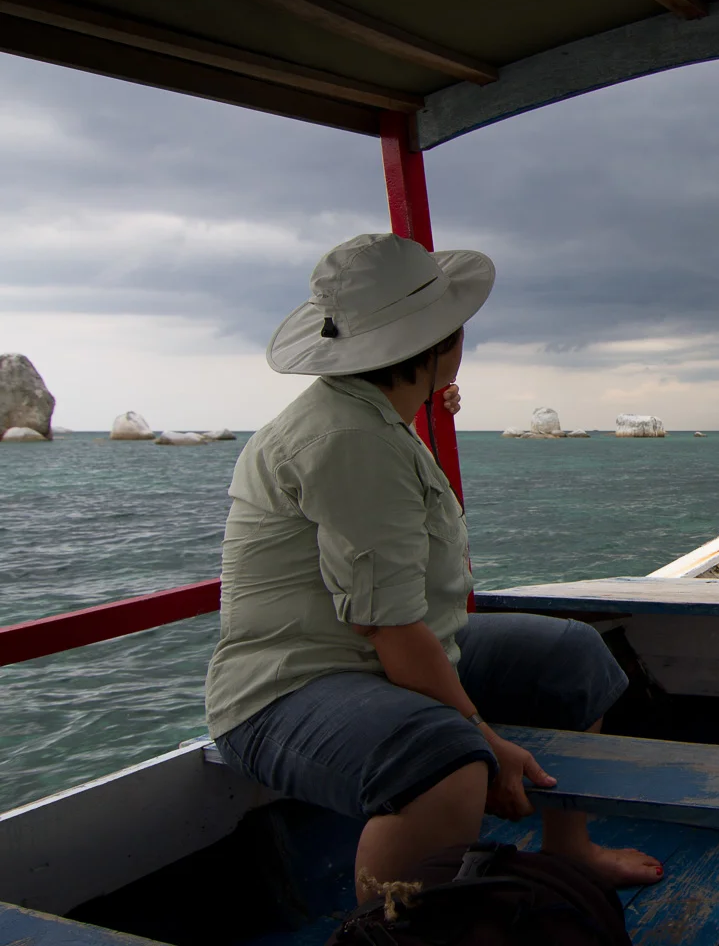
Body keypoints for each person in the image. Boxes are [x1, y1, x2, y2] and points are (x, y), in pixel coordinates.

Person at [204, 233, 661, 900]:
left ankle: (572, 852)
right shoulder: (350, 438)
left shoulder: (375, 416)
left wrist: (426, 403)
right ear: (439, 339)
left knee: (571, 655)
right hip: (286, 690)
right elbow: (386, 629)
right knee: (446, 762)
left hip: (373, 656)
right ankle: (390, 937)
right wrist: (481, 735)